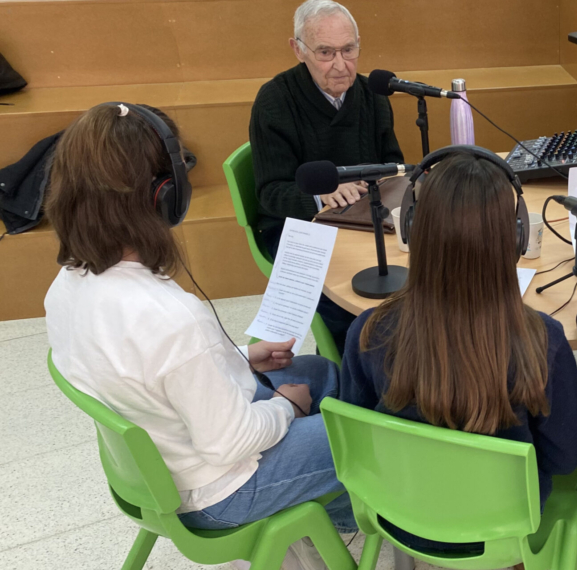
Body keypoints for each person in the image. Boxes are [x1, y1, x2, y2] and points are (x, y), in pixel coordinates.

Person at [44, 103, 352, 570]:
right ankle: (376, 511)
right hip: (217, 492)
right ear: (164, 195)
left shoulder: (65, 285)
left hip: (156, 470)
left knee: (319, 371)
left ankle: (331, 506)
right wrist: (287, 407)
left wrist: (241, 359)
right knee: (364, 438)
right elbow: (227, 444)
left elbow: (155, 372)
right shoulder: (170, 318)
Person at [339, 151, 577, 553]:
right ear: (516, 237)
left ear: (413, 229)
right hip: (503, 527)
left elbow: (362, 438)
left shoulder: (367, 331)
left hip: (399, 514)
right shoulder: (543, 340)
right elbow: (563, 459)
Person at [249, 0, 404, 354]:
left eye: (348, 50)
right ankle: (348, 375)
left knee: (410, 282)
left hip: (364, 217)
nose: (340, 65)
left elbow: (393, 164)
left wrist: (381, 186)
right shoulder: (274, 101)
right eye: (325, 52)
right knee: (348, 300)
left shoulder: (373, 96)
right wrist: (323, 196)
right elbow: (270, 193)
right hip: (297, 224)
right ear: (298, 50)